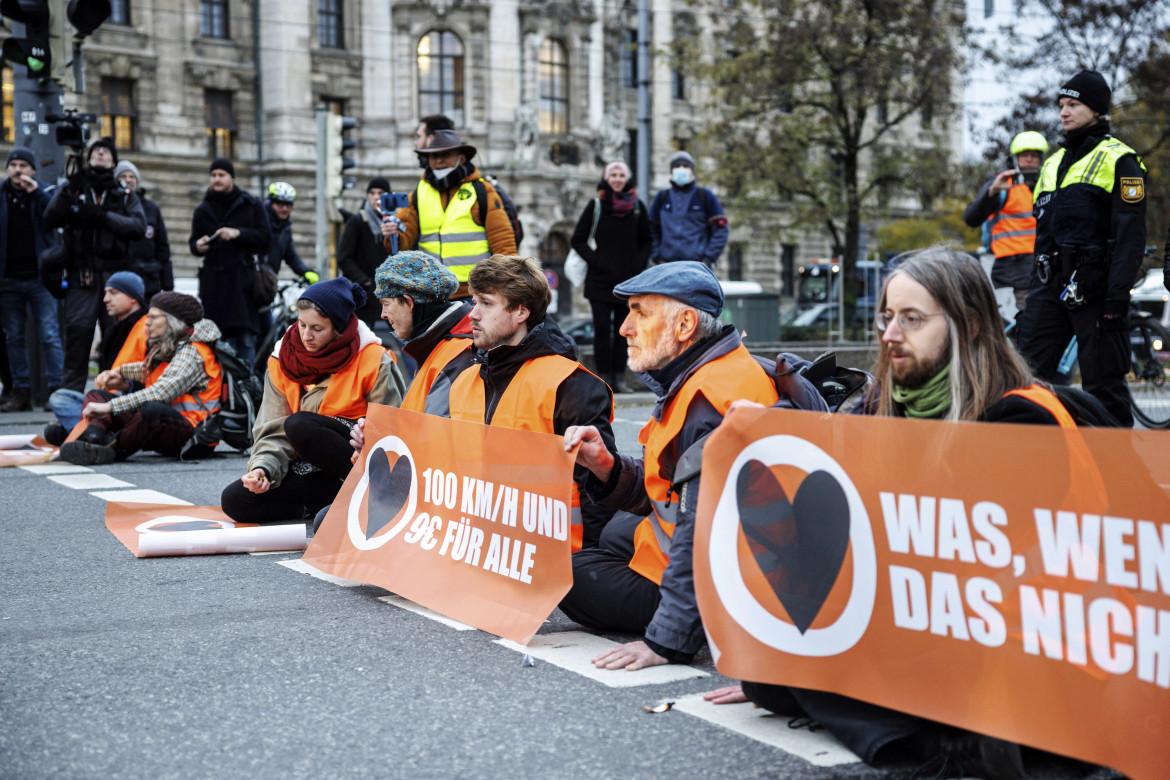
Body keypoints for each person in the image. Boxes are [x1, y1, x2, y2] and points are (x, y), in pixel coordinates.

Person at [707, 248, 1086, 779]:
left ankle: (960, 742)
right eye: (888, 317)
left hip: (1019, 629)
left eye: (912, 319)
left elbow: (999, 570)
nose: (889, 335)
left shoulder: (1022, 417)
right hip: (931, 617)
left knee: (813, 676)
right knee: (770, 677)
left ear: (970, 326)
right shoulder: (892, 407)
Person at [560, 261, 779, 667]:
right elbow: (668, 486)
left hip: (721, 579)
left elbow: (701, 534)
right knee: (615, 534)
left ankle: (686, 621)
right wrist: (607, 466)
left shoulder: (708, 403)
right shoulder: (709, 372)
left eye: (639, 313)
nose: (624, 328)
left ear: (684, 326)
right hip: (719, 555)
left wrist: (666, 643)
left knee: (568, 574)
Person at [447, 255, 616, 550]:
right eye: (474, 302)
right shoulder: (465, 380)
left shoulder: (570, 384)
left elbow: (598, 494)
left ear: (521, 312)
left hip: (556, 562)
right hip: (478, 554)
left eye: (486, 303)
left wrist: (588, 572)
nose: (472, 314)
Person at [1016, 70, 1146, 428]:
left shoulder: (1122, 161)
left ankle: (1118, 476)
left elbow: (1130, 238)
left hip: (1097, 289)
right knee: (1025, 381)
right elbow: (1041, 239)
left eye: (1073, 104)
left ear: (1097, 110)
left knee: (1104, 389)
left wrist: (1117, 301)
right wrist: (1032, 299)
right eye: (1061, 105)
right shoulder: (1052, 164)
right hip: (1049, 287)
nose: (1063, 112)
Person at [220, 278, 406, 525]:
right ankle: (323, 502)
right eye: (301, 324)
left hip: (359, 462)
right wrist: (262, 470)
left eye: (317, 329)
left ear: (339, 328)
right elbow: (273, 430)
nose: (306, 335)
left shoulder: (375, 359)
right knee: (235, 500)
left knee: (300, 425)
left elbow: (392, 433)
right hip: (312, 467)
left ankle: (369, 497)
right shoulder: (281, 360)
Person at [58, 292, 223, 466]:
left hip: (195, 436)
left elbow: (160, 393)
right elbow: (148, 369)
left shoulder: (193, 352)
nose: (147, 322)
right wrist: (119, 373)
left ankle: (110, 449)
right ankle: (92, 438)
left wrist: (109, 407)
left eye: (153, 317)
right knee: (96, 395)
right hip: (167, 425)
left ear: (173, 322)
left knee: (150, 410)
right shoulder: (173, 342)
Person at [44, 137, 146, 394]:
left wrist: (102, 216)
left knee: (116, 338)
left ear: (113, 161)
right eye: (96, 150)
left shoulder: (124, 194)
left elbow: (138, 226)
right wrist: (67, 191)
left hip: (114, 276)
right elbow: (50, 217)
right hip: (83, 275)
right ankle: (70, 397)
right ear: (89, 158)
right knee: (77, 338)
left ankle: (114, 396)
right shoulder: (75, 187)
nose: (100, 153)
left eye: (106, 151)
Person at [382, 130, 517, 289]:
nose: (438, 160)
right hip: (432, 292)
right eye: (433, 156)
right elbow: (402, 245)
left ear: (462, 158)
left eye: (445, 155)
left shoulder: (483, 191)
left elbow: (504, 244)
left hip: (473, 293)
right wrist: (393, 235)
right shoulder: (419, 193)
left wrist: (507, 287)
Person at [569, 160, 650, 393]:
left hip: (628, 283)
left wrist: (638, 264)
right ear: (606, 178)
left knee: (625, 332)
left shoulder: (637, 207)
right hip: (599, 281)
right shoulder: (596, 205)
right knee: (602, 329)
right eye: (612, 174)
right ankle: (603, 378)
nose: (617, 178)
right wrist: (597, 260)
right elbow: (578, 239)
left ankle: (620, 378)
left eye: (621, 174)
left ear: (627, 179)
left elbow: (647, 241)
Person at [189, 158, 272, 371]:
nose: (216, 179)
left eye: (221, 175)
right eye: (213, 175)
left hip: (242, 284)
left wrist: (237, 234)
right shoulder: (202, 209)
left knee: (245, 340)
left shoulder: (251, 205)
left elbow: (265, 239)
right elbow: (193, 243)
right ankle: (221, 390)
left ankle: (247, 390)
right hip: (213, 284)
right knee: (214, 340)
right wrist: (198, 246)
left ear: (231, 178)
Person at [44, 271, 148, 438]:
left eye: (113, 293)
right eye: (106, 293)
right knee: (61, 397)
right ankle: (92, 433)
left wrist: (126, 386)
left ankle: (85, 433)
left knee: (63, 401)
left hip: (133, 405)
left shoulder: (148, 328)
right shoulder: (113, 332)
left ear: (133, 297)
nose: (105, 299)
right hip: (108, 402)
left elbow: (157, 383)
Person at [0, 146, 63, 412]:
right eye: (13, 165)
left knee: (49, 334)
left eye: (23, 166)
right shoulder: (1, 194)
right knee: (14, 337)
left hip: (41, 278)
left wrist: (35, 192)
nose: (18, 170)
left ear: (33, 170)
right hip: (8, 280)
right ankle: (21, 391)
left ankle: (57, 390)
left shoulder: (44, 193)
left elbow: (56, 217)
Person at [375, 250, 474, 415]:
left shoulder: (458, 352)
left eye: (386, 303)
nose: (383, 315)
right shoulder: (437, 342)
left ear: (408, 302)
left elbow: (431, 435)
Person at [962, 130, 1049, 313]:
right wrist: (992, 192)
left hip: (1043, 264)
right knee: (1023, 321)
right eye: (1024, 155)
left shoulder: (1049, 184)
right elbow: (971, 218)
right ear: (1014, 158)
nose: (1029, 160)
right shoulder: (1002, 183)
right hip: (1010, 267)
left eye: (1034, 155)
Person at [648, 151, 729, 267]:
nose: (681, 169)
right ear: (671, 172)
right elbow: (650, 231)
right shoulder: (662, 198)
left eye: (686, 166)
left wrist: (707, 259)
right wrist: (658, 258)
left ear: (692, 171)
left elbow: (721, 229)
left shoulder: (705, 196)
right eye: (677, 166)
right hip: (667, 267)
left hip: (698, 267)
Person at [260, 181, 319, 336]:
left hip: (265, 289)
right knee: (252, 337)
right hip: (250, 287)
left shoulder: (284, 229)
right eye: (280, 204)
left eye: (288, 204)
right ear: (270, 203)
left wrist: (307, 272)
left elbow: (292, 257)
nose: (285, 208)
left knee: (266, 332)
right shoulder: (260, 223)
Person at [113, 160, 174, 304]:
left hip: (149, 280)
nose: (128, 180)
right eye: (123, 176)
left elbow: (162, 248)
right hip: (121, 279)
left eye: (131, 176)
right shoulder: (112, 207)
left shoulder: (152, 208)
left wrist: (168, 285)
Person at [337, 177, 393, 327]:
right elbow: (344, 259)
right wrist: (365, 281)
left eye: (381, 193)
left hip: (392, 294)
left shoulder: (395, 222)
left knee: (404, 342)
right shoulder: (357, 221)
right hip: (366, 297)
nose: (376, 197)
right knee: (362, 343)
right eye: (372, 193)